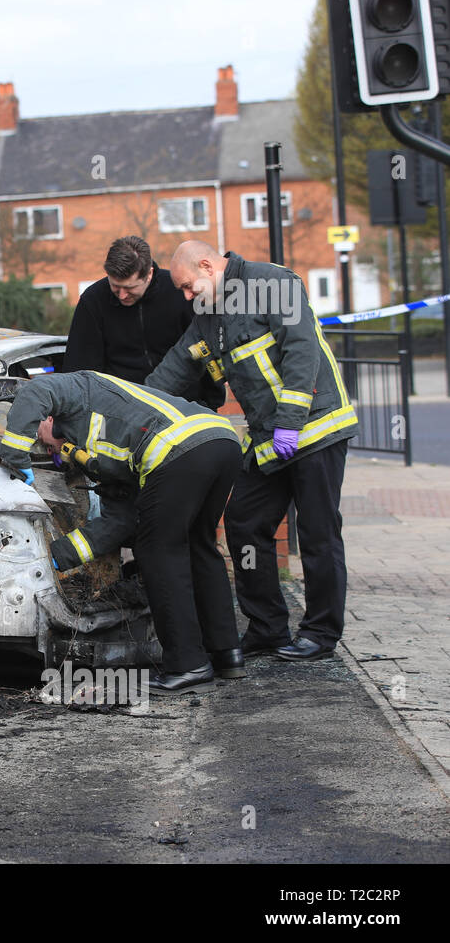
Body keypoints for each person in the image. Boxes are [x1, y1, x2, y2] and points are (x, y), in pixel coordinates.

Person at [144, 240, 358, 661]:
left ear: (207, 265)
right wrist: (132, 403)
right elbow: (178, 366)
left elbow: (301, 351)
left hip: (315, 430)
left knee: (318, 533)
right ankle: (267, 629)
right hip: (269, 443)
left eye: (188, 287)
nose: (187, 298)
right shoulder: (209, 315)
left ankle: (321, 633)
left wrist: (290, 424)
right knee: (244, 523)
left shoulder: (272, 283)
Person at [0, 370, 243, 694]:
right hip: (219, 442)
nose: (47, 449)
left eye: (41, 441)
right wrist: (53, 559)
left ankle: (188, 666)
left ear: (47, 417)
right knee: (199, 546)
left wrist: (15, 457)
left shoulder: (76, 389)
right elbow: (119, 522)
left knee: (158, 552)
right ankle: (227, 654)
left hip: (179, 450)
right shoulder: (103, 457)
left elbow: (36, 390)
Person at [66, 236, 225, 411]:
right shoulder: (93, 301)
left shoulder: (181, 292)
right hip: (121, 411)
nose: (122, 295)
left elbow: (205, 347)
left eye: (130, 288)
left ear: (149, 274)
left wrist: (211, 402)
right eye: (115, 286)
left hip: (186, 406)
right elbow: (80, 367)